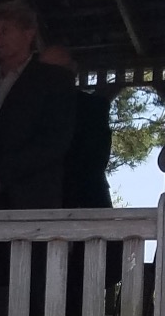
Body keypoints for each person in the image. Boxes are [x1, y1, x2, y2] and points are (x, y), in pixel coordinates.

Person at [0, 2, 75, 210]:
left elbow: (55, 140)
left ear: (29, 33)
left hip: (32, 200)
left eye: (4, 31)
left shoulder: (52, 79)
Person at [40, 43, 114, 210]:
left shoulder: (93, 108)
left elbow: (94, 160)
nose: (52, 77)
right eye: (45, 71)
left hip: (84, 202)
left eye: (59, 70)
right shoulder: (29, 110)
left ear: (73, 70)